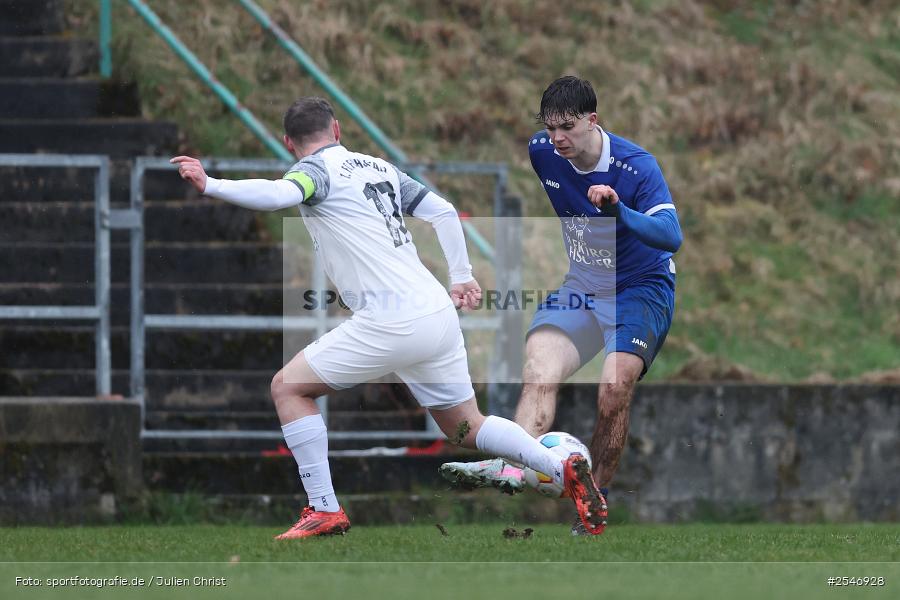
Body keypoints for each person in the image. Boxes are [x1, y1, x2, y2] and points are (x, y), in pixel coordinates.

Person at [170, 96, 608, 539]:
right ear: (337, 130)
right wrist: (461, 276)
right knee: (467, 426)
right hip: (436, 312)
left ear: (289, 143)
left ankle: (323, 507)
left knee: (288, 388)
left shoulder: (313, 172)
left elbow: (279, 194)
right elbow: (440, 211)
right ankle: (561, 468)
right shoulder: (378, 167)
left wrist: (212, 184)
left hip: (391, 319)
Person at [440, 76, 682, 535]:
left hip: (640, 288)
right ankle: (517, 466)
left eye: (568, 127)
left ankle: (594, 506)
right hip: (582, 286)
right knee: (537, 371)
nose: (557, 139)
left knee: (613, 390)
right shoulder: (542, 151)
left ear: (594, 120)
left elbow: (672, 238)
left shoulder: (637, 169)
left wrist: (618, 213)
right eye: (549, 128)